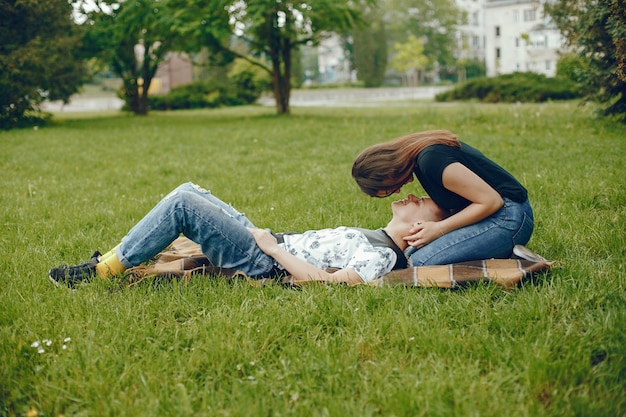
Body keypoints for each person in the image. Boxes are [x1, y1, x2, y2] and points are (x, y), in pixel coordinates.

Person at [49, 182, 448, 288]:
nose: (412, 195)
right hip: (268, 244)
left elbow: (328, 284)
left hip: (264, 262)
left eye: (423, 200)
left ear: (418, 227)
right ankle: (112, 257)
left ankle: (102, 271)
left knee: (183, 206)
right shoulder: (376, 237)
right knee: (189, 191)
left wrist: (272, 249)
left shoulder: (383, 256)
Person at [352, 130, 534, 266]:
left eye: (389, 189)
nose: (397, 192)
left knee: (420, 262)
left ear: (387, 172)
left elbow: (492, 201)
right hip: (496, 215)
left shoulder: (430, 160)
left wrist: (439, 229)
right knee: (411, 252)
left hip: (509, 217)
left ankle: (513, 259)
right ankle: (502, 253)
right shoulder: (422, 161)